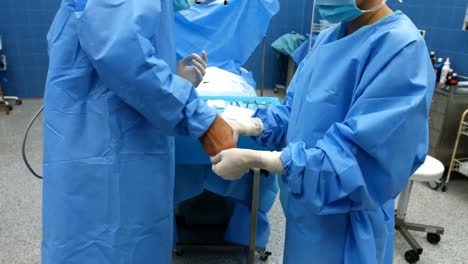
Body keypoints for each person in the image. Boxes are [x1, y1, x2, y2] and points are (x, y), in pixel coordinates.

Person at [211, 0, 435, 263]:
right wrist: (252, 124)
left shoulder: (401, 48)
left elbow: (358, 161)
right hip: (306, 212)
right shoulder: (328, 38)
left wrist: (261, 160)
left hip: (347, 224)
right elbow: (295, 110)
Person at [42, 0, 235, 263]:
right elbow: (120, 47)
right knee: (110, 241)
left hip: (102, 131)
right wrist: (199, 117)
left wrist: (168, 78)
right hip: (107, 139)